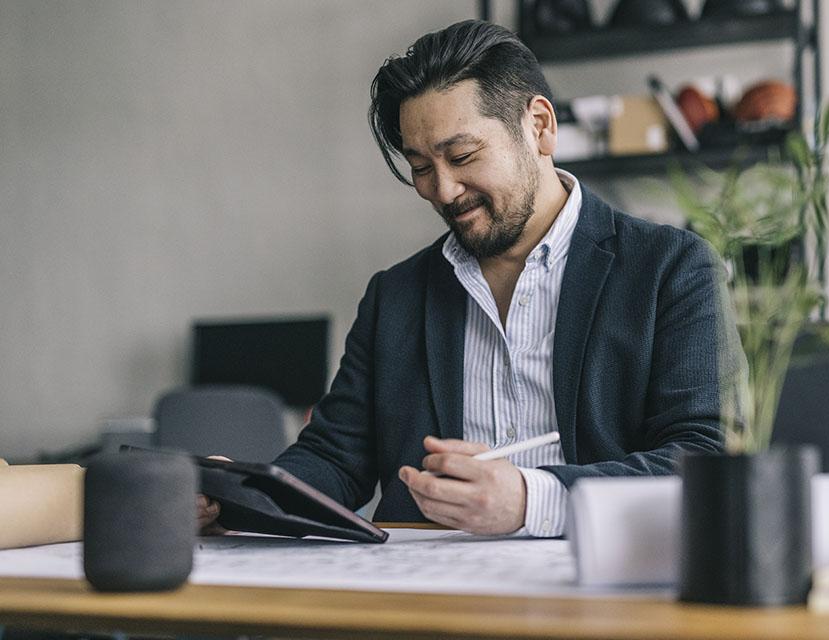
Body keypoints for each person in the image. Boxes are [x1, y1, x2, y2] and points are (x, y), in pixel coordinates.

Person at [198, 19, 743, 538]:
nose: (444, 190)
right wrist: (243, 495)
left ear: (539, 127)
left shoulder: (670, 268)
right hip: (428, 602)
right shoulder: (396, 297)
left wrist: (532, 499)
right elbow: (334, 458)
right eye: (420, 167)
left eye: (462, 155)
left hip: (598, 588)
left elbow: (704, 456)